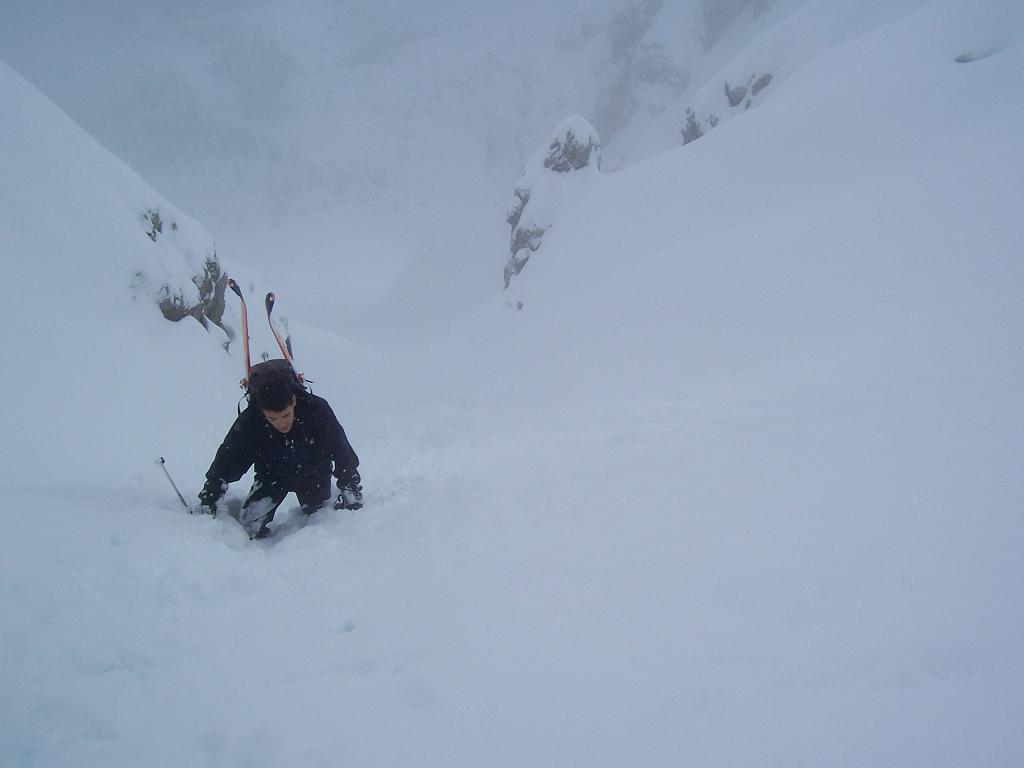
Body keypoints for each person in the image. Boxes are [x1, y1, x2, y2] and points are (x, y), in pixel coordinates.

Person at [197, 364, 362, 539]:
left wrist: (350, 486)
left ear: (293, 401)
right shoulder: (252, 419)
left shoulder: (317, 409)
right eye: (272, 418)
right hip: (272, 476)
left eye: (285, 415)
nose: (281, 424)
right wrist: (211, 492)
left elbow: (340, 448)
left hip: (313, 473)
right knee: (249, 528)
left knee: (319, 517)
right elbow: (230, 455)